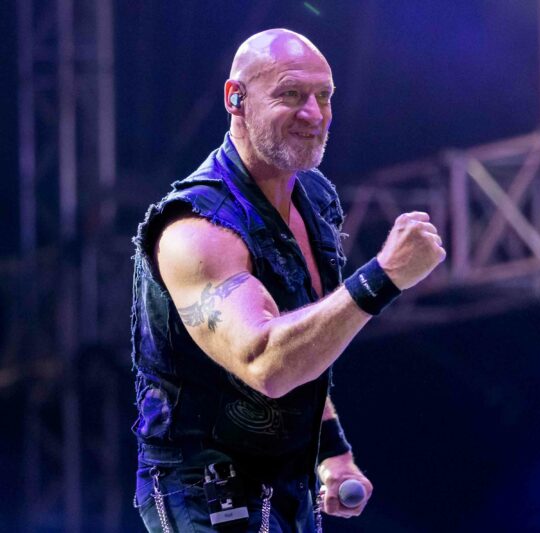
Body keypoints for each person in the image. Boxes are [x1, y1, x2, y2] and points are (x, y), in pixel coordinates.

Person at [130, 28, 445, 532]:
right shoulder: (198, 230)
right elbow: (267, 363)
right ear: (236, 99)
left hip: (287, 484)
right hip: (205, 493)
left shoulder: (314, 198)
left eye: (324, 96)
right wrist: (382, 277)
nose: (314, 114)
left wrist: (333, 451)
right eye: (292, 94)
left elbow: (304, 339)